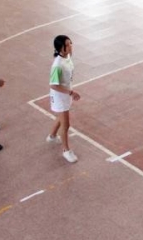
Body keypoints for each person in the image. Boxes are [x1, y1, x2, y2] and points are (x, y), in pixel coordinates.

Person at [47, 34, 79, 163]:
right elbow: (53, 85)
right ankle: (66, 151)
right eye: (67, 45)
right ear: (60, 48)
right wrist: (71, 92)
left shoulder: (67, 57)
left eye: (70, 43)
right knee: (66, 124)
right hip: (61, 96)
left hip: (66, 94)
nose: (70, 46)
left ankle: (52, 136)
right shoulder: (57, 65)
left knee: (61, 118)